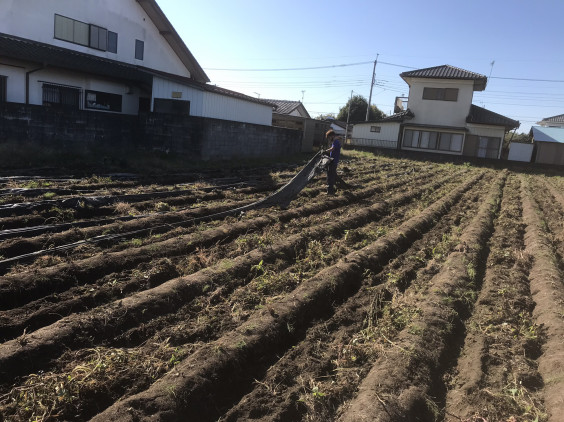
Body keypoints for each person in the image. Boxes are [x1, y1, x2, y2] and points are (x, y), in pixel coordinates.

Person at [324, 129, 341, 195]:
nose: (329, 139)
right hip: (332, 161)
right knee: (330, 175)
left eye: (329, 137)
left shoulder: (335, 142)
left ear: (332, 136)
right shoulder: (335, 142)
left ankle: (330, 192)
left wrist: (325, 151)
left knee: (330, 176)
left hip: (333, 161)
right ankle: (330, 190)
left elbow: (332, 149)